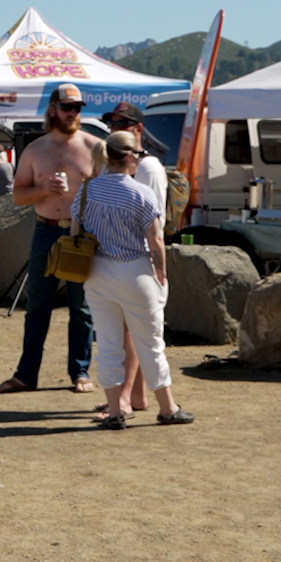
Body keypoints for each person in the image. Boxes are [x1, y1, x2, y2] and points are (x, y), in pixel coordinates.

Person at [73, 131, 193, 429]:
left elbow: (75, 231)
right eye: (138, 154)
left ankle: (115, 411)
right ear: (128, 157)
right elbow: (155, 241)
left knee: (109, 344)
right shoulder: (142, 193)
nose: (140, 159)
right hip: (135, 270)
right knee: (149, 343)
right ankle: (167, 407)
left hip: (97, 272)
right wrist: (162, 274)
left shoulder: (87, 190)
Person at [0, 84, 106, 395]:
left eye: (78, 108)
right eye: (67, 107)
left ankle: (80, 372)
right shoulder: (35, 149)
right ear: (53, 109)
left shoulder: (95, 147)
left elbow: (107, 194)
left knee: (81, 308)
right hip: (45, 230)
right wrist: (43, 190)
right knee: (37, 306)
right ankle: (26, 375)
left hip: (82, 235)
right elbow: (18, 196)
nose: (73, 113)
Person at [98, 102, 169, 420]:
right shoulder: (114, 163)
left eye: (122, 124)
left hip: (136, 260)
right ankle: (136, 396)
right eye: (111, 124)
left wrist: (157, 270)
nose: (115, 128)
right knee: (132, 331)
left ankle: (124, 398)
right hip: (126, 260)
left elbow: (153, 225)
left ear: (139, 129)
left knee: (131, 333)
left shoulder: (148, 168)